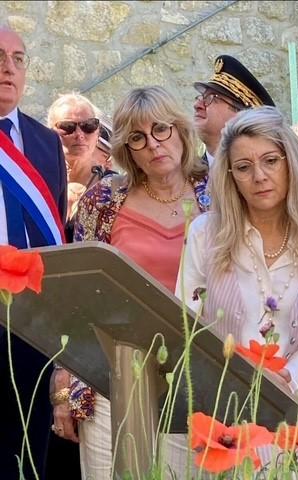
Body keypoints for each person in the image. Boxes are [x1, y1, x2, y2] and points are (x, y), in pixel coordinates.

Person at [49, 85, 209, 479]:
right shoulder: (103, 200)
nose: (153, 144)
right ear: (126, 148)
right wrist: (64, 385)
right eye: (138, 137)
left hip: (193, 377)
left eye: (161, 129)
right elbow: (77, 297)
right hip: (111, 375)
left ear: (180, 130)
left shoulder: (219, 195)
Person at [178, 106, 298, 410]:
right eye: (243, 167)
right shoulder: (206, 236)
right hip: (222, 407)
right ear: (230, 177)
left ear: (291, 163)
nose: (259, 176)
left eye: (270, 161)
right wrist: (235, 381)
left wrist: (286, 382)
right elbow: (186, 323)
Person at [0, 26, 67, 479]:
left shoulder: (46, 142)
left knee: (28, 452)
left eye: (18, 58)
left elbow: (56, 230)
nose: (9, 68)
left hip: (33, 323)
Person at [47, 93, 116, 241]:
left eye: (88, 126)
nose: (79, 134)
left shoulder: (115, 187)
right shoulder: (39, 183)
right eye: (67, 127)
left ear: (97, 132)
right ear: (50, 133)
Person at [193, 54, 275, 164]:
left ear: (240, 115)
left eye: (210, 98)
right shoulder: (187, 173)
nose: (197, 105)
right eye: (201, 97)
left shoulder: (262, 173)